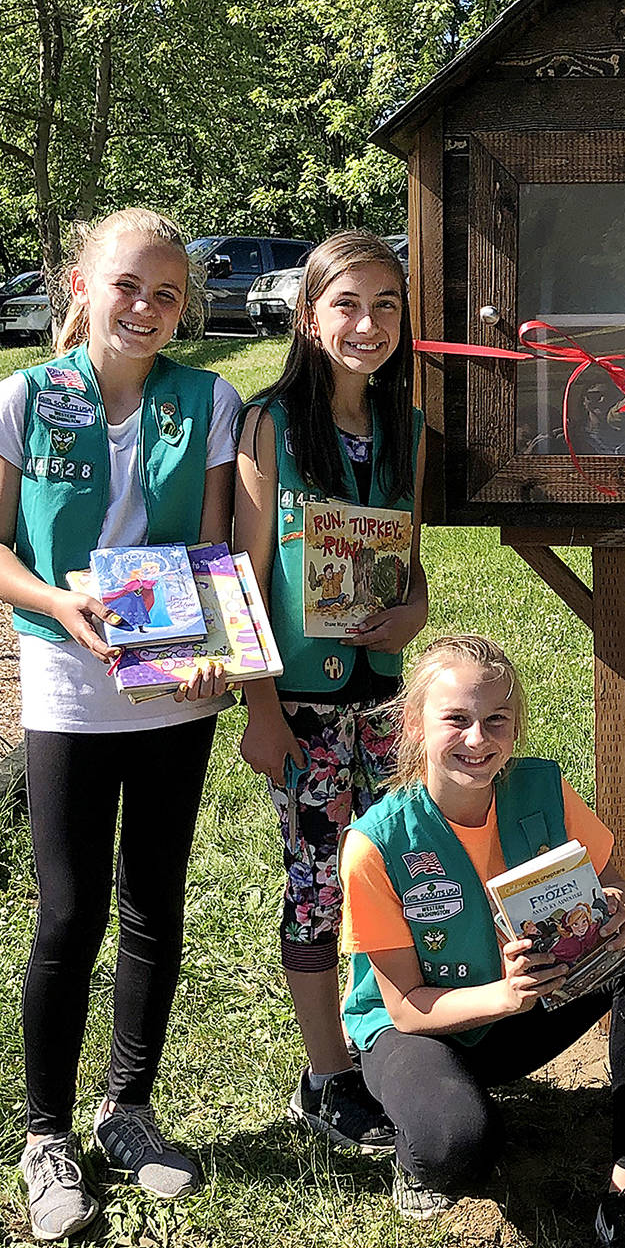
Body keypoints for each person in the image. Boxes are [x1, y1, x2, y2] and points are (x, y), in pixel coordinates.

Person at [0, 207, 240, 1240]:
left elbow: (213, 550)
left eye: (168, 294)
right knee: (69, 909)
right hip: (70, 684)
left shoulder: (205, 402)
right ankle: (46, 1135)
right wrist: (58, 604)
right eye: (129, 284)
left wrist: (223, 646)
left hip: (175, 685)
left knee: (154, 901)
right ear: (80, 282)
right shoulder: (21, 400)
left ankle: (127, 1108)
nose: (147, 307)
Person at [339, 634, 625, 1248]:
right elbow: (405, 1006)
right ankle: (420, 1125)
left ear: (515, 726)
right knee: (458, 1144)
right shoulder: (376, 843)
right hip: (420, 1031)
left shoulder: (540, 786)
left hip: (526, 1001)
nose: (477, 737)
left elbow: (619, 882)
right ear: (413, 725)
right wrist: (506, 991)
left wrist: (620, 909)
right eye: (455, 718)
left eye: (496, 719)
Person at [234, 231, 428, 1153]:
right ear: (309, 317)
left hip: (385, 700)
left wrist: (410, 615)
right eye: (347, 304)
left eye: (386, 303)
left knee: (387, 869)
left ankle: (390, 1039)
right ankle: (324, 1073)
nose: (368, 323)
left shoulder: (408, 428)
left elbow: (413, 567)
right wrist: (259, 704)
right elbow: (242, 577)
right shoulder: (271, 424)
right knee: (315, 882)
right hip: (303, 706)